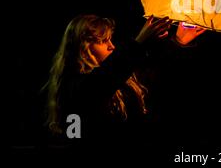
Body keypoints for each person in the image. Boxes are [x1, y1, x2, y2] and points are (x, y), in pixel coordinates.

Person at [41, 14, 205, 150]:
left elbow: (152, 73)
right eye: (103, 41)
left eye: (110, 39)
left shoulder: (120, 79)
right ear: (85, 46)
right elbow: (101, 82)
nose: (112, 46)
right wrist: (138, 42)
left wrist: (178, 41)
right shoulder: (72, 85)